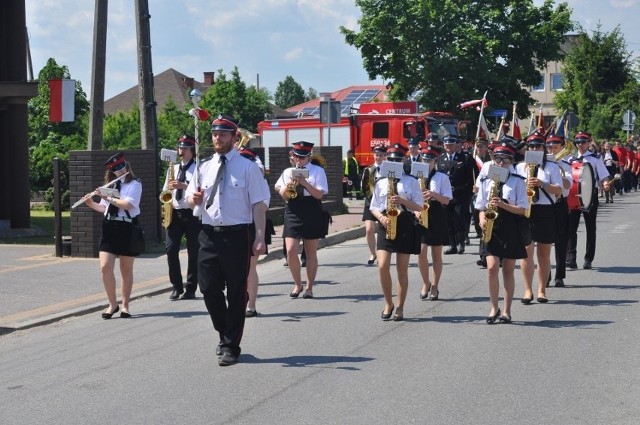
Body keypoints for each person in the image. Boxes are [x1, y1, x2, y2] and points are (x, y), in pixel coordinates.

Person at [186, 114, 268, 366]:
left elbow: (259, 203)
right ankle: (224, 333)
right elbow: (189, 199)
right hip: (208, 233)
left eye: (222, 134)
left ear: (234, 137)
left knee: (236, 291)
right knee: (208, 288)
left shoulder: (248, 167)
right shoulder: (203, 167)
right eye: (214, 134)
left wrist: (260, 237)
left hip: (237, 235)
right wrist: (194, 200)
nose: (217, 138)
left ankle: (231, 344)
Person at [84, 152, 142, 319]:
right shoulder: (109, 186)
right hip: (109, 226)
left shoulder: (135, 184)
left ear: (126, 166)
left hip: (127, 226)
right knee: (105, 267)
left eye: (121, 167)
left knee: (126, 268)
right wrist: (91, 203)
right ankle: (112, 304)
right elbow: (103, 208)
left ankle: (125, 305)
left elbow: (127, 205)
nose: (119, 171)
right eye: (115, 169)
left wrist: (107, 197)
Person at [474, 142, 528, 324]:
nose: (501, 163)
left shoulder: (518, 180)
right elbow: (480, 205)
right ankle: (493, 307)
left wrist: (503, 204)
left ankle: (506, 311)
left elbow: (523, 209)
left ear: (511, 161)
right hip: (491, 225)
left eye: (505, 160)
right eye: (497, 159)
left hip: (510, 225)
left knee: (508, 270)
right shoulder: (486, 180)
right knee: (491, 268)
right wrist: (482, 217)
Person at [369, 145, 423, 322]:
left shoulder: (410, 181)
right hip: (385, 221)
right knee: (382, 265)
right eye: (391, 160)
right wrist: (380, 218)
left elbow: (419, 206)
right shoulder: (381, 181)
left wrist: (402, 200)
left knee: (402, 269)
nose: (394, 163)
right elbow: (374, 206)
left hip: (405, 222)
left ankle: (400, 307)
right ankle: (388, 303)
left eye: (398, 160)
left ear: (403, 161)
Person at [276, 141, 329, 299]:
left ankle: (309, 287)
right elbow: (283, 194)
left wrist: (305, 183)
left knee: (310, 251)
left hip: (311, 209)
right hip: (293, 209)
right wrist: (289, 186)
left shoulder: (317, 171)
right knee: (291, 250)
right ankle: (297, 284)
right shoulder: (288, 171)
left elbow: (320, 195)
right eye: (296, 156)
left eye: (302, 157)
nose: (299, 160)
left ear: (308, 156)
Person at [516, 134, 563, 304]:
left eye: (538, 147)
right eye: (532, 146)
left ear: (543, 149)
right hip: (526, 209)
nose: (535, 149)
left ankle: (541, 289)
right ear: (527, 148)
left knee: (544, 253)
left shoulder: (551, 167)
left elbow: (558, 191)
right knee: (526, 252)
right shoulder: (520, 168)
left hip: (545, 210)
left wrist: (542, 184)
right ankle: (527, 290)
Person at [162, 135, 201, 300]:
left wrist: (184, 186)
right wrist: (165, 197)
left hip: (192, 213)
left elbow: (200, 190)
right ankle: (176, 287)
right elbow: (165, 191)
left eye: (185, 148)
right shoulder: (174, 168)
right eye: (180, 148)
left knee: (194, 251)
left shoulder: (199, 169)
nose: (181, 151)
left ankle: (191, 288)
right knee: (171, 250)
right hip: (175, 213)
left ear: (191, 150)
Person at [567, 132, 611, 270]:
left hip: (590, 197)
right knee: (571, 229)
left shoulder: (595, 158)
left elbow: (603, 176)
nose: (580, 144)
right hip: (573, 197)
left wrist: (605, 183)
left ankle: (588, 259)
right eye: (578, 142)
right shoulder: (570, 159)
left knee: (590, 228)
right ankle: (571, 258)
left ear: (588, 142)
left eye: (583, 142)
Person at [238, 146, 272, 318]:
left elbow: (264, 206)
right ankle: (237, 302)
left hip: (252, 225)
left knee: (250, 267)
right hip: (234, 226)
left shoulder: (260, 180)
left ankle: (251, 305)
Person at [415, 145, 452, 301]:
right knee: (421, 252)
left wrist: (433, 194)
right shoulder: (415, 176)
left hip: (436, 214)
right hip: (419, 214)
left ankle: (435, 286)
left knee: (436, 254)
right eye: (424, 159)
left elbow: (447, 200)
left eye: (429, 159)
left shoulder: (442, 177)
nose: (426, 162)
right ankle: (426, 283)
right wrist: (415, 211)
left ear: (435, 160)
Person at [436, 135, 475, 254]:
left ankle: (461, 243)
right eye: (446, 145)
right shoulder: (440, 159)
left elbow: (470, 177)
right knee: (449, 221)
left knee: (459, 220)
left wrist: (469, 192)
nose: (448, 147)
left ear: (456, 145)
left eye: (451, 144)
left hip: (460, 194)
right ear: (443, 146)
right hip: (446, 195)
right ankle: (452, 245)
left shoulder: (464, 158)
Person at [545, 135, 573, 287]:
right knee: (545, 242)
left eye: (555, 147)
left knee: (560, 240)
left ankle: (559, 275)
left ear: (562, 148)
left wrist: (557, 171)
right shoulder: (542, 166)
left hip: (560, 203)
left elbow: (567, 186)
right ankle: (546, 275)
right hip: (545, 205)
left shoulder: (565, 165)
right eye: (549, 147)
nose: (552, 150)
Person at [360, 145, 387, 265]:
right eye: (376, 155)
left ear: (384, 156)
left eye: (381, 155)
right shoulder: (368, 170)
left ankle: (385, 251)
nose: (378, 157)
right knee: (369, 229)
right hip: (370, 202)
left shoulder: (388, 169)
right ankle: (373, 253)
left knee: (386, 228)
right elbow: (364, 187)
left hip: (384, 202)